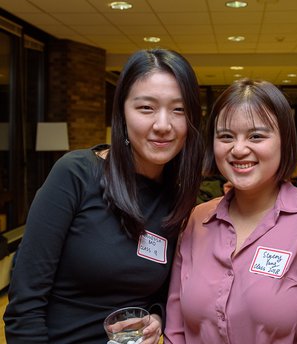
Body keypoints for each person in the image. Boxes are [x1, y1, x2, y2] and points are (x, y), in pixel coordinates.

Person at [4, 49, 204, 343]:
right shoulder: (76, 175)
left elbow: (163, 291)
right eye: (146, 108)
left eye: (179, 109)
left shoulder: (179, 199)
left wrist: (157, 316)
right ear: (122, 112)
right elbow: (25, 304)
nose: (163, 125)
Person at [165, 78, 297, 343]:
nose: (239, 149)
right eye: (226, 136)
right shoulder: (197, 219)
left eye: (256, 136)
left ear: (284, 141)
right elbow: (176, 331)